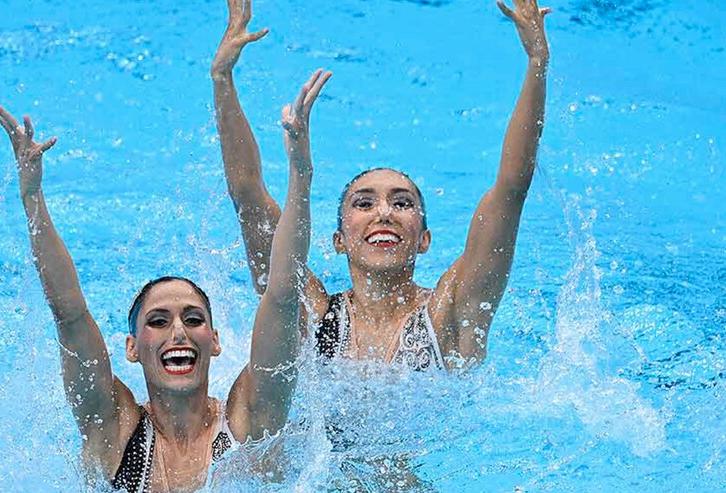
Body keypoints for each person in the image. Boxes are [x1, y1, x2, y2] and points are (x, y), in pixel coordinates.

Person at [0, 84, 324, 491]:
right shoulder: (113, 430)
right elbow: (69, 316)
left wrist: (300, 177)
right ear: (131, 347)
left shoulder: (248, 420)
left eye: (193, 319)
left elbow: (283, 299)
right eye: (158, 321)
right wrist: (32, 198)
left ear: (214, 340)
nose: (178, 331)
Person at [212, 0, 551, 371]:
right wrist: (222, 78)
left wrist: (537, 64)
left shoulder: (450, 316)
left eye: (402, 203)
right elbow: (247, 195)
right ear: (338, 240)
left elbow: (511, 190)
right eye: (363, 204)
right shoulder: (311, 318)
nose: (384, 213)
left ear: (424, 240)